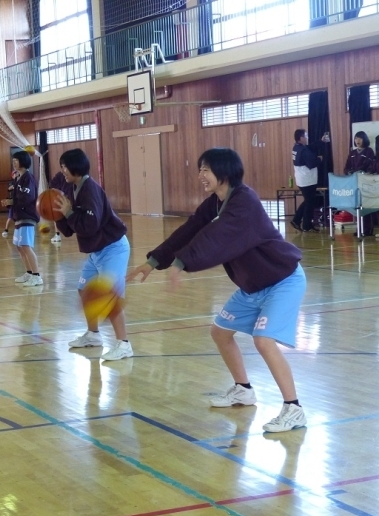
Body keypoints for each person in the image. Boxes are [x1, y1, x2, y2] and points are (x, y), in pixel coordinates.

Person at [127, 148, 307, 433]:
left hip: (282, 280)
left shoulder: (244, 201)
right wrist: (153, 261)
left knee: (263, 341)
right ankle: (243, 390)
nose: (200, 175)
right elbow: (190, 229)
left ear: (224, 171)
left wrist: (183, 261)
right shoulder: (215, 203)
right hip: (253, 286)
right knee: (220, 332)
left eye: (205, 169)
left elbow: (217, 235)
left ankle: (293, 408)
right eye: (200, 169)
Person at [54, 148, 132, 361]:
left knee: (109, 297)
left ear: (75, 167)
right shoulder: (72, 189)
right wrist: (57, 215)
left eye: (64, 167)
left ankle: (124, 344)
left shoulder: (90, 189)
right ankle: (93, 335)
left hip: (113, 248)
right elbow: (70, 230)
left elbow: (89, 225)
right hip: (96, 251)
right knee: (84, 290)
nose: (62, 171)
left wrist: (69, 213)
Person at [3, 151, 42, 286]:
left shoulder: (28, 178)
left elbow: (28, 197)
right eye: (13, 161)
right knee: (19, 246)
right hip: (18, 216)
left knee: (25, 245)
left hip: (27, 216)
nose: (14, 163)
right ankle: (29, 272)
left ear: (23, 161)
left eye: (16, 161)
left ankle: (37, 275)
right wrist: (9, 202)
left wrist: (13, 202)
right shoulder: (17, 178)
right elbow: (16, 197)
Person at [290, 129, 322, 233]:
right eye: (306, 136)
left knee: (308, 201)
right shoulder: (303, 150)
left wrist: (320, 141)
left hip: (301, 179)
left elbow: (309, 147)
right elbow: (311, 163)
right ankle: (305, 225)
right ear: (301, 138)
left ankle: (297, 221)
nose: (307, 138)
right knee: (309, 202)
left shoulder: (296, 148)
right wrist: (319, 159)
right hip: (307, 180)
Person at [49, 171, 70, 244]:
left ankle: (57, 235)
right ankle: (57, 235)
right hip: (64, 198)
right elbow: (52, 185)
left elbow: (51, 186)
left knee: (56, 213)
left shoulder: (62, 175)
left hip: (65, 199)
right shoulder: (60, 175)